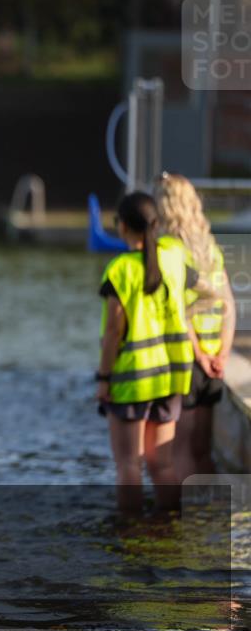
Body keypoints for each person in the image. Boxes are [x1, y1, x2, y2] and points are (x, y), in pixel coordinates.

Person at [96, 192, 195, 514]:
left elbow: (113, 330)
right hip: (169, 378)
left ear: (122, 226)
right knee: (162, 464)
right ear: (155, 224)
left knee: (128, 464)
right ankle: (170, 528)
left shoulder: (121, 270)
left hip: (131, 379)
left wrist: (103, 378)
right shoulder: (174, 255)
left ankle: (130, 536)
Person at [156, 174, 235, 482]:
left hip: (190, 357)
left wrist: (199, 354)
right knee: (202, 448)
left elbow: (179, 309)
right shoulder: (210, 247)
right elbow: (227, 302)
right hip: (215, 356)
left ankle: (181, 523)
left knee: (181, 449)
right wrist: (223, 353)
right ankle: (210, 520)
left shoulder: (171, 249)